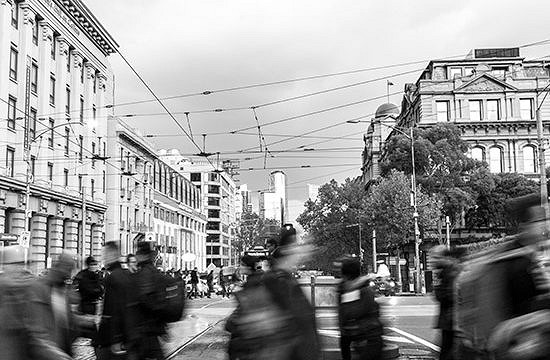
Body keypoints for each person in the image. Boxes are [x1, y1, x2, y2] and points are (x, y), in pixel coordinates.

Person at [0, 245, 73, 360]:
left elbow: (36, 334)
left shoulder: (32, 290)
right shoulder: (5, 290)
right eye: (15, 264)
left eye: (24, 264)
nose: (21, 269)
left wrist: (55, 354)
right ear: (5, 266)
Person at [262, 224, 320, 360]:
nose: (301, 251)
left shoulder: (285, 280)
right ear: (287, 251)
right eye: (296, 245)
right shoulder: (279, 282)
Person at [30, 252, 78, 358]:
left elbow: (67, 320)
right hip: (48, 352)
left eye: (71, 269)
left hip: (62, 350)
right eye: (68, 268)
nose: (69, 274)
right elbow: (36, 329)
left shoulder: (64, 289)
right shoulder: (40, 287)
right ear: (59, 266)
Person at [97, 242, 138, 360]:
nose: (103, 258)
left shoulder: (114, 277)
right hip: (122, 335)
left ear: (113, 254)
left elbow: (115, 309)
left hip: (112, 337)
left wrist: (116, 338)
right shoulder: (123, 275)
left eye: (105, 254)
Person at [338, 256, 383, 360]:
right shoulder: (353, 288)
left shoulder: (352, 290)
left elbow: (349, 312)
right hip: (366, 336)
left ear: (345, 275)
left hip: (368, 337)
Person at [134, 241, 167, 360]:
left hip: (146, 327)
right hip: (152, 326)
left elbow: (146, 299)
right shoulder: (153, 271)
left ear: (142, 255)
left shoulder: (145, 273)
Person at [430, 245, 459, 360]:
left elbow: (449, 296)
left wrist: (437, 288)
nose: (433, 261)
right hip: (449, 321)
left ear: (444, 257)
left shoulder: (450, 272)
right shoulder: (445, 271)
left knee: (447, 353)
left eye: (436, 258)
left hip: (451, 321)